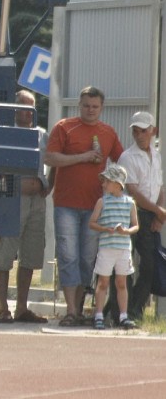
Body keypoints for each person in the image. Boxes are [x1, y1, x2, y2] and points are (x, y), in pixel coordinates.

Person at [45, 86, 123, 326]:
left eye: (95, 107)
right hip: (66, 204)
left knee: (88, 259)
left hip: (94, 206)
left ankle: (77, 310)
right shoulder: (64, 127)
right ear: (79, 105)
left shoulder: (108, 132)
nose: (90, 110)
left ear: (102, 108)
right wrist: (83, 157)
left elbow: (122, 163)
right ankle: (70, 310)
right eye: (87, 105)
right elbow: (50, 158)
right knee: (68, 255)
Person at [0, 90, 49, 324]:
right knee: (5, 254)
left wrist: (49, 185)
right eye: (24, 107)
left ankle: (22, 309)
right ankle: (3, 308)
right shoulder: (5, 133)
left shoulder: (42, 135)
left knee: (31, 254)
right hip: (12, 199)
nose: (29, 112)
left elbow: (52, 161)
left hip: (38, 202)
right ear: (14, 108)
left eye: (33, 107)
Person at [117, 111, 165, 320]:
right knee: (126, 264)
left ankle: (133, 310)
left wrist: (159, 214)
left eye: (143, 131)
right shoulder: (127, 156)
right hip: (133, 213)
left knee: (150, 264)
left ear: (153, 131)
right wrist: (159, 212)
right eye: (136, 131)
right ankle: (122, 311)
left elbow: (160, 187)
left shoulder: (156, 154)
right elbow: (133, 191)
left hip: (152, 213)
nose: (139, 135)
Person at [89, 164, 139, 330]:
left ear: (117, 183)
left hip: (123, 248)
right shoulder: (101, 202)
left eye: (107, 181)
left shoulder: (130, 202)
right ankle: (98, 315)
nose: (103, 184)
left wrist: (125, 231)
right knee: (103, 282)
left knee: (121, 282)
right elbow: (92, 223)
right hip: (106, 248)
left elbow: (135, 225)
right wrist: (105, 229)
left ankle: (123, 316)